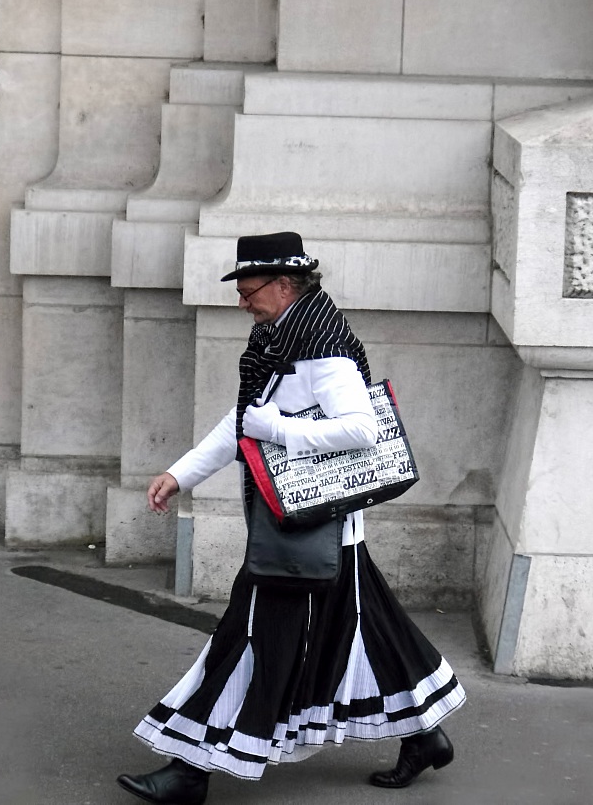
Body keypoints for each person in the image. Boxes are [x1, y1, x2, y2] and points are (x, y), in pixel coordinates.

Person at [117, 232, 466, 805]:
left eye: (248, 290)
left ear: (284, 285)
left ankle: (191, 769)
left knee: (248, 637)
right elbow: (242, 421)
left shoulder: (321, 347)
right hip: (319, 531)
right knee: (367, 629)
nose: (242, 302)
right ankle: (424, 736)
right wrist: (181, 474)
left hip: (304, 529)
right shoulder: (278, 338)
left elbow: (361, 429)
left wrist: (276, 428)